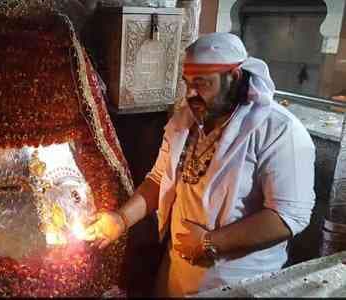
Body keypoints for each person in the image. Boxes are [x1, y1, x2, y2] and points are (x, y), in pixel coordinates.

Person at [85, 32, 316, 296]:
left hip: (237, 283)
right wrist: (121, 219)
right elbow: (159, 179)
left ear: (235, 77)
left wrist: (210, 242)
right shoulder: (186, 121)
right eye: (187, 83)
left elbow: (288, 217)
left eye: (202, 84)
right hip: (177, 272)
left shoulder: (279, 130)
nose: (191, 94)